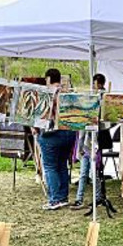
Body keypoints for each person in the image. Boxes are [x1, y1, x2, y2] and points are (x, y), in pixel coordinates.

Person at [37, 68, 77, 210]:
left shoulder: (47, 93)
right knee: (62, 165)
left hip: (52, 134)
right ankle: (63, 197)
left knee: (50, 167)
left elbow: (41, 114)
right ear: (60, 79)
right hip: (69, 133)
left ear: (48, 79)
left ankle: (54, 199)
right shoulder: (68, 92)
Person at [72, 73, 106, 210]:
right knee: (84, 172)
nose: (94, 87)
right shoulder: (88, 99)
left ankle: (97, 197)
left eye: (96, 84)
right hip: (86, 141)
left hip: (95, 141)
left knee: (93, 172)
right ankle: (79, 199)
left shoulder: (103, 98)